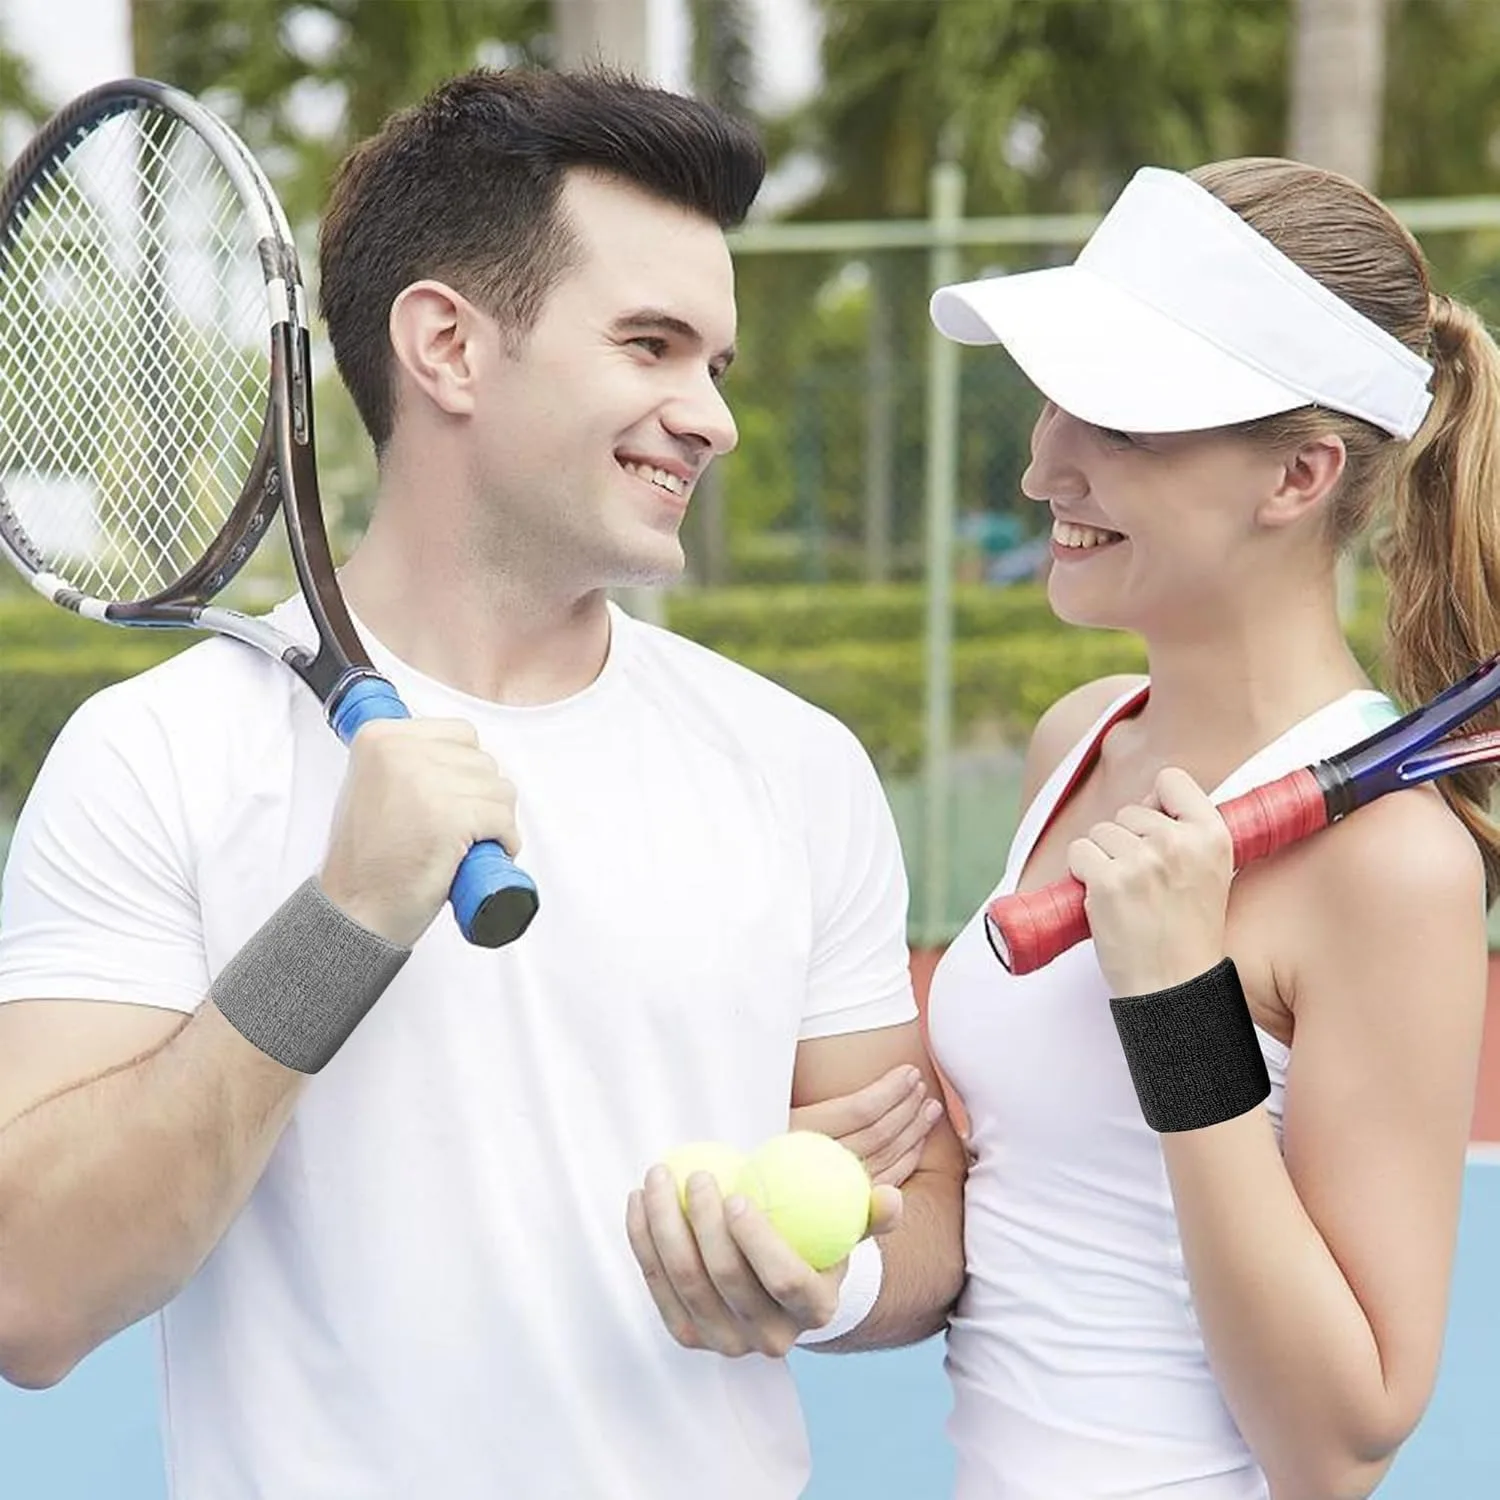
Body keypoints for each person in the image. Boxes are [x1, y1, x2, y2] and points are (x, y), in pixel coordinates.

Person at [0, 69, 965, 1499]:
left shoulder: (795, 763)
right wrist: (344, 923)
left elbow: (927, 1216)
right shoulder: (155, 756)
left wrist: (825, 1276)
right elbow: (30, 1294)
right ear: (448, 345)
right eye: (650, 346)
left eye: (716, 365)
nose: (711, 417)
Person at [924, 159, 1494, 1499]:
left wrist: (1180, 1008)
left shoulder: (1395, 865)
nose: (1042, 465)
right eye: (1054, 400)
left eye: (1120, 422)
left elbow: (1339, 1447)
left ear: (1298, 474)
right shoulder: (1079, 740)